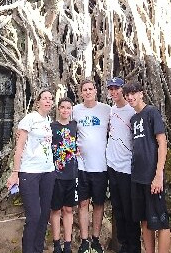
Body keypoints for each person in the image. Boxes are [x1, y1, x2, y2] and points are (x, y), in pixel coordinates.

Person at [123, 81, 170, 253]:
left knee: (161, 221)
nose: (130, 97)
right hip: (137, 177)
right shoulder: (133, 119)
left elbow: (162, 143)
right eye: (127, 94)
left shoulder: (151, 112)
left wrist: (158, 175)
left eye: (133, 93)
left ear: (141, 93)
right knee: (144, 220)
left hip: (152, 176)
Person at [7, 89, 56, 253]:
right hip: (30, 173)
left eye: (50, 99)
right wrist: (15, 172)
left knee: (44, 216)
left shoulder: (49, 120)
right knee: (34, 215)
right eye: (44, 98)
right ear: (38, 102)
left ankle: (38, 249)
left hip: (48, 172)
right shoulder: (29, 119)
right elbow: (19, 146)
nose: (48, 101)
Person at [72, 79, 110, 253]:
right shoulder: (75, 111)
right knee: (83, 203)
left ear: (96, 90)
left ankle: (96, 239)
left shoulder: (106, 110)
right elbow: (67, 132)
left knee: (99, 203)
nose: (87, 92)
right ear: (80, 93)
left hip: (101, 166)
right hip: (82, 166)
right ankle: (84, 240)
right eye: (84, 89)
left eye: (90, 89)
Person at [105, 77, 140, 253]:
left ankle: (134, 246)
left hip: (127, 167)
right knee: (117, 208)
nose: (114, 92)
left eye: (117, 88)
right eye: (111, 89)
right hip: (112, 165)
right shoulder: (110, 111)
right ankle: (123, 244)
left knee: (129, 209)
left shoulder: (133, 112)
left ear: (123, 91)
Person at [50, 97, 78, 253]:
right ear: (58, 109)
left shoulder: (75, 126)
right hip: (56, 176)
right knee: (55, 210)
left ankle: (68, 244)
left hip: (72, 175)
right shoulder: (51, 127)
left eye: (68, 108)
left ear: (71, 110)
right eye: (63, 107)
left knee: (68, 210)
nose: (65, 110)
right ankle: (56, 244)